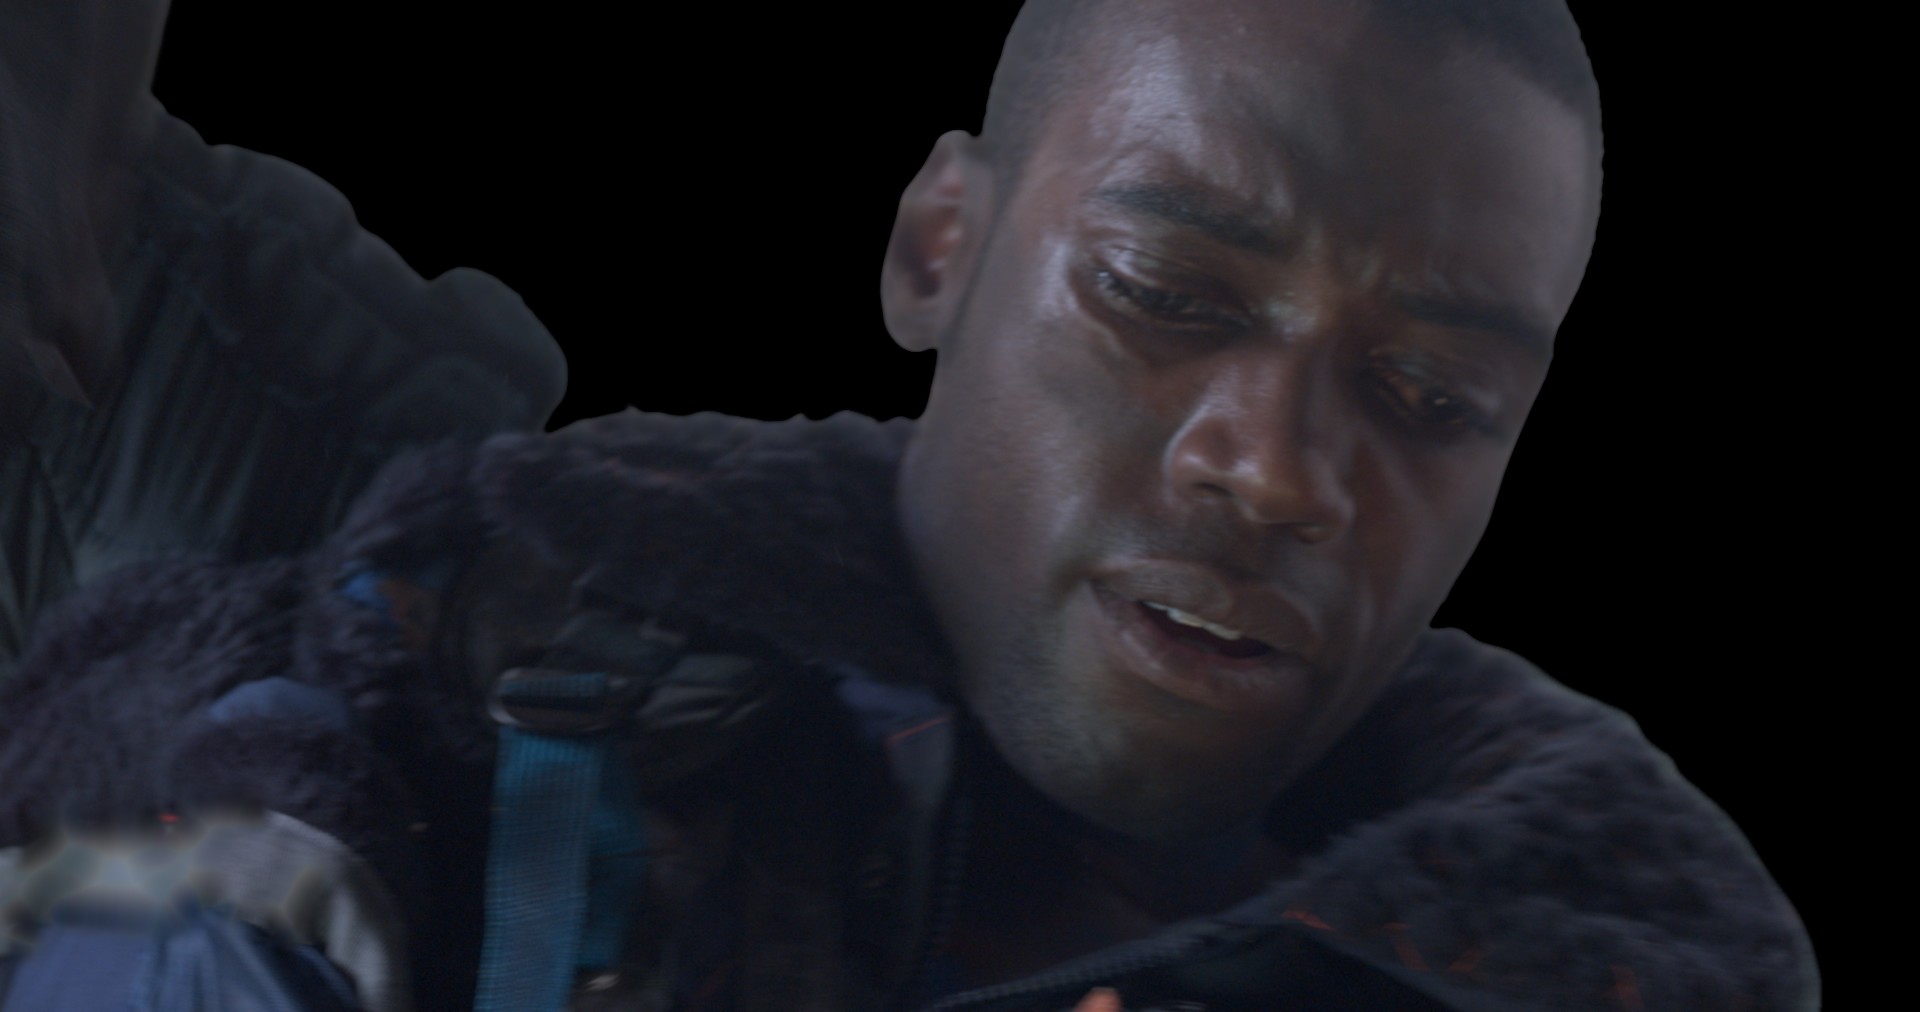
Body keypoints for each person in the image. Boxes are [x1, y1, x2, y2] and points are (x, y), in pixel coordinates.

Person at [0, 0, 1820, 1010]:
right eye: (1164, 296)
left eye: (1432, 399)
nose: (1275, 467)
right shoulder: (381, 739)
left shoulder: (1625, 968)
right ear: (942, 247)